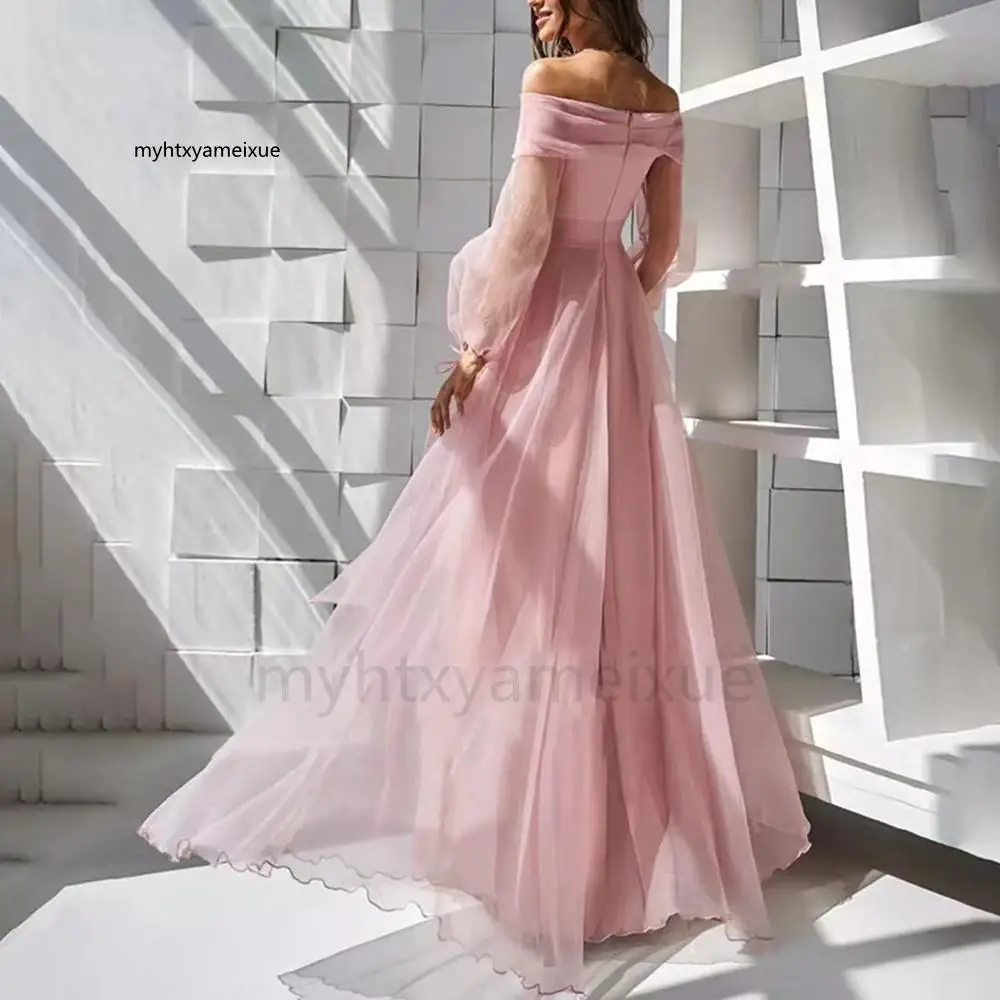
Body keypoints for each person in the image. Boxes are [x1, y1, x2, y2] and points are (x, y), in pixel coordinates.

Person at [140, 1, 811, 995]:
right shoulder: (660, 98)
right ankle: (606, 865)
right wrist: (615, 310)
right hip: (618, 341)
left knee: (524, 574)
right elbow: (662, 248)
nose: (536, 7)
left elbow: (525, 234)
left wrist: (475, 352)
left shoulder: (551, 81)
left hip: (545, 334)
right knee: (617, 581)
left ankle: (533, 857)